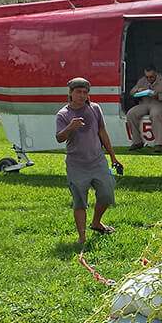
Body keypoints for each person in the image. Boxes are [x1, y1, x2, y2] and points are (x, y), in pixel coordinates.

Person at [56, 77, 122, 244]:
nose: (82, 95)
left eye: (85, 92)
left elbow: (102, 132)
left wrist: (113, 156)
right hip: (76, 164)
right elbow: (59, 138)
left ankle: (96, 222)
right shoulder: (63, 114)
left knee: (107, 194)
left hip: (97, 160)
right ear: (71, 93)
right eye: (78, 92)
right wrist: (70, 127)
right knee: (80, 201)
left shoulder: (95, 108)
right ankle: (82, 237)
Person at [126, 65, 162, 151]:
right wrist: (137, 90)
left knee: (155, 114)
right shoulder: (142, 80)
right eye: (147, 77)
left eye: (151, 77)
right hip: (145, 103)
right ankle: (137, 142)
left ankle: (158, 144)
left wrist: (158, 96)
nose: (149, 79)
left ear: (156, 73)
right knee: (131, 113)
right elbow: (131, 93)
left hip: (159, 103)